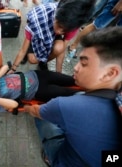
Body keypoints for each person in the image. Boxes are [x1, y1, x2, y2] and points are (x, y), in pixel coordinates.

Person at [24, 27, 122, 166]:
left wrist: (27, 108)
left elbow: (37, 111)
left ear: (110, 73)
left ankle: (50, 157)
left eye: (84, 63)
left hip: (68, 161)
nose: (75, 67)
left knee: (43, 113)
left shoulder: (66, 105)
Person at [10, 0, 94, 73]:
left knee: (59, 47)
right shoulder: (38, 19)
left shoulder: (72, 25)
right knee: (32, 59)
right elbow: (22, 50)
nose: (59, 31)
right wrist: (13, 68)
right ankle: (31, 50)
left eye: (64, 31)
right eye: (59, 25)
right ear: (56, 16)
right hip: (36, 36)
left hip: (51, 36)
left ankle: (43, 62)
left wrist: (58, 73)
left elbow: (62, 49)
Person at [0, 64, 79, 112]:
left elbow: (5, 67)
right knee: (71, 94)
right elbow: (13, 105)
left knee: (72, 80)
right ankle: (90, 96)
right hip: (38, 91)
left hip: (37, 75)